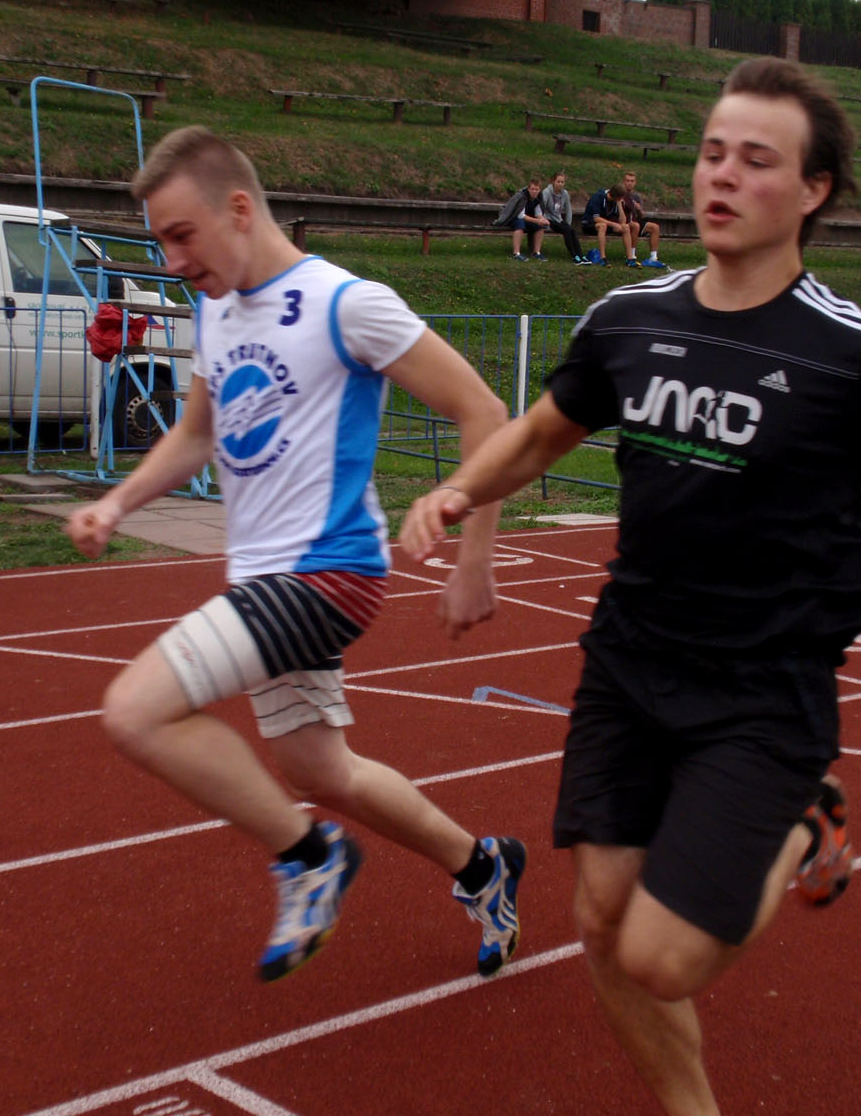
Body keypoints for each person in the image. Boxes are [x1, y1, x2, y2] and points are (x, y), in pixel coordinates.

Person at [401, 59, 861, 1115]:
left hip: (762, 687)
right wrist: (460, 492)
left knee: (664, 957)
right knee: (601, 922)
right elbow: (540, 434)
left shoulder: (857, 352)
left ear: (812, 190)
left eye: (756, 160)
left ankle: (802, 820)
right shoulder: (628, 318)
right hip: (629, 661)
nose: (721, 176)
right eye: (712, 152)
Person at [66, 125, 526, 984]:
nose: (173, 262)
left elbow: (485, 412)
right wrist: (117, 502)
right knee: (321, 770)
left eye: (182, 235)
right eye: (162, 242)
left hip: (330, 574)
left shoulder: (347, 304)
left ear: (239, 209)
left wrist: (475, 560)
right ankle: (482, 864)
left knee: (134, 711)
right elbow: (196, 436)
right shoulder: (214, 309)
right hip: (263, 580)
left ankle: (310, 857)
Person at [619, 170, 670, 270]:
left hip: (635, 220)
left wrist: (639, 209)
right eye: (627, 181)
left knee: (654, 227)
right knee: (635, 225)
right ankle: (632, 256)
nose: (629, 183)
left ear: (635, 183)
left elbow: (642, 216)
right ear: (624, 181)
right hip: (624, 222)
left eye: (632, 181)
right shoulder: (620, 194)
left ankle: (653, 257)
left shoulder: (636, 197)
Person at [540, 170, 589, 264]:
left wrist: (568, 223)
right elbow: (541, 207)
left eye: (562, 182)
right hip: (548, 219)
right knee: (566, 231)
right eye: (558, 181)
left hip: (558, 219)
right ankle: (574, 256)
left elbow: (568, 209)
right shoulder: (547, 192)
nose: (560, 184)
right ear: (553, 181)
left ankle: (581, 255)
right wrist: (543, 220)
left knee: (571, 230)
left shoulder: (565, 194)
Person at [495, 175, 549, 261]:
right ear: (528, 189)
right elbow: (520, 215)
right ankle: (516, 253)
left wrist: (543, 220)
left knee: (540, 226)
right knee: (520, 224)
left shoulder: (539, 197)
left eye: (536, 189)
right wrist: (537, 221)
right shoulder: (521, 196)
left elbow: (538, 213)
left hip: (527, 219)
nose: (534, 191)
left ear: (539, 190)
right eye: (532, 189)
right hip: (513, 217)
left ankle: (536, 252)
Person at [580, 182, 634, 265]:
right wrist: (613, 224)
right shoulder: (598, 197)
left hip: (607, 224)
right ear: (616, 196)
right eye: (621, 198)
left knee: (625, 227)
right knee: (603, 226)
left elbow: (623, 221)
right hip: (589, 223)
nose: (622, 199)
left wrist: (619, 205)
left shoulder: (616, 201)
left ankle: (630, 259)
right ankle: (603, 258)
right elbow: (597, 218)